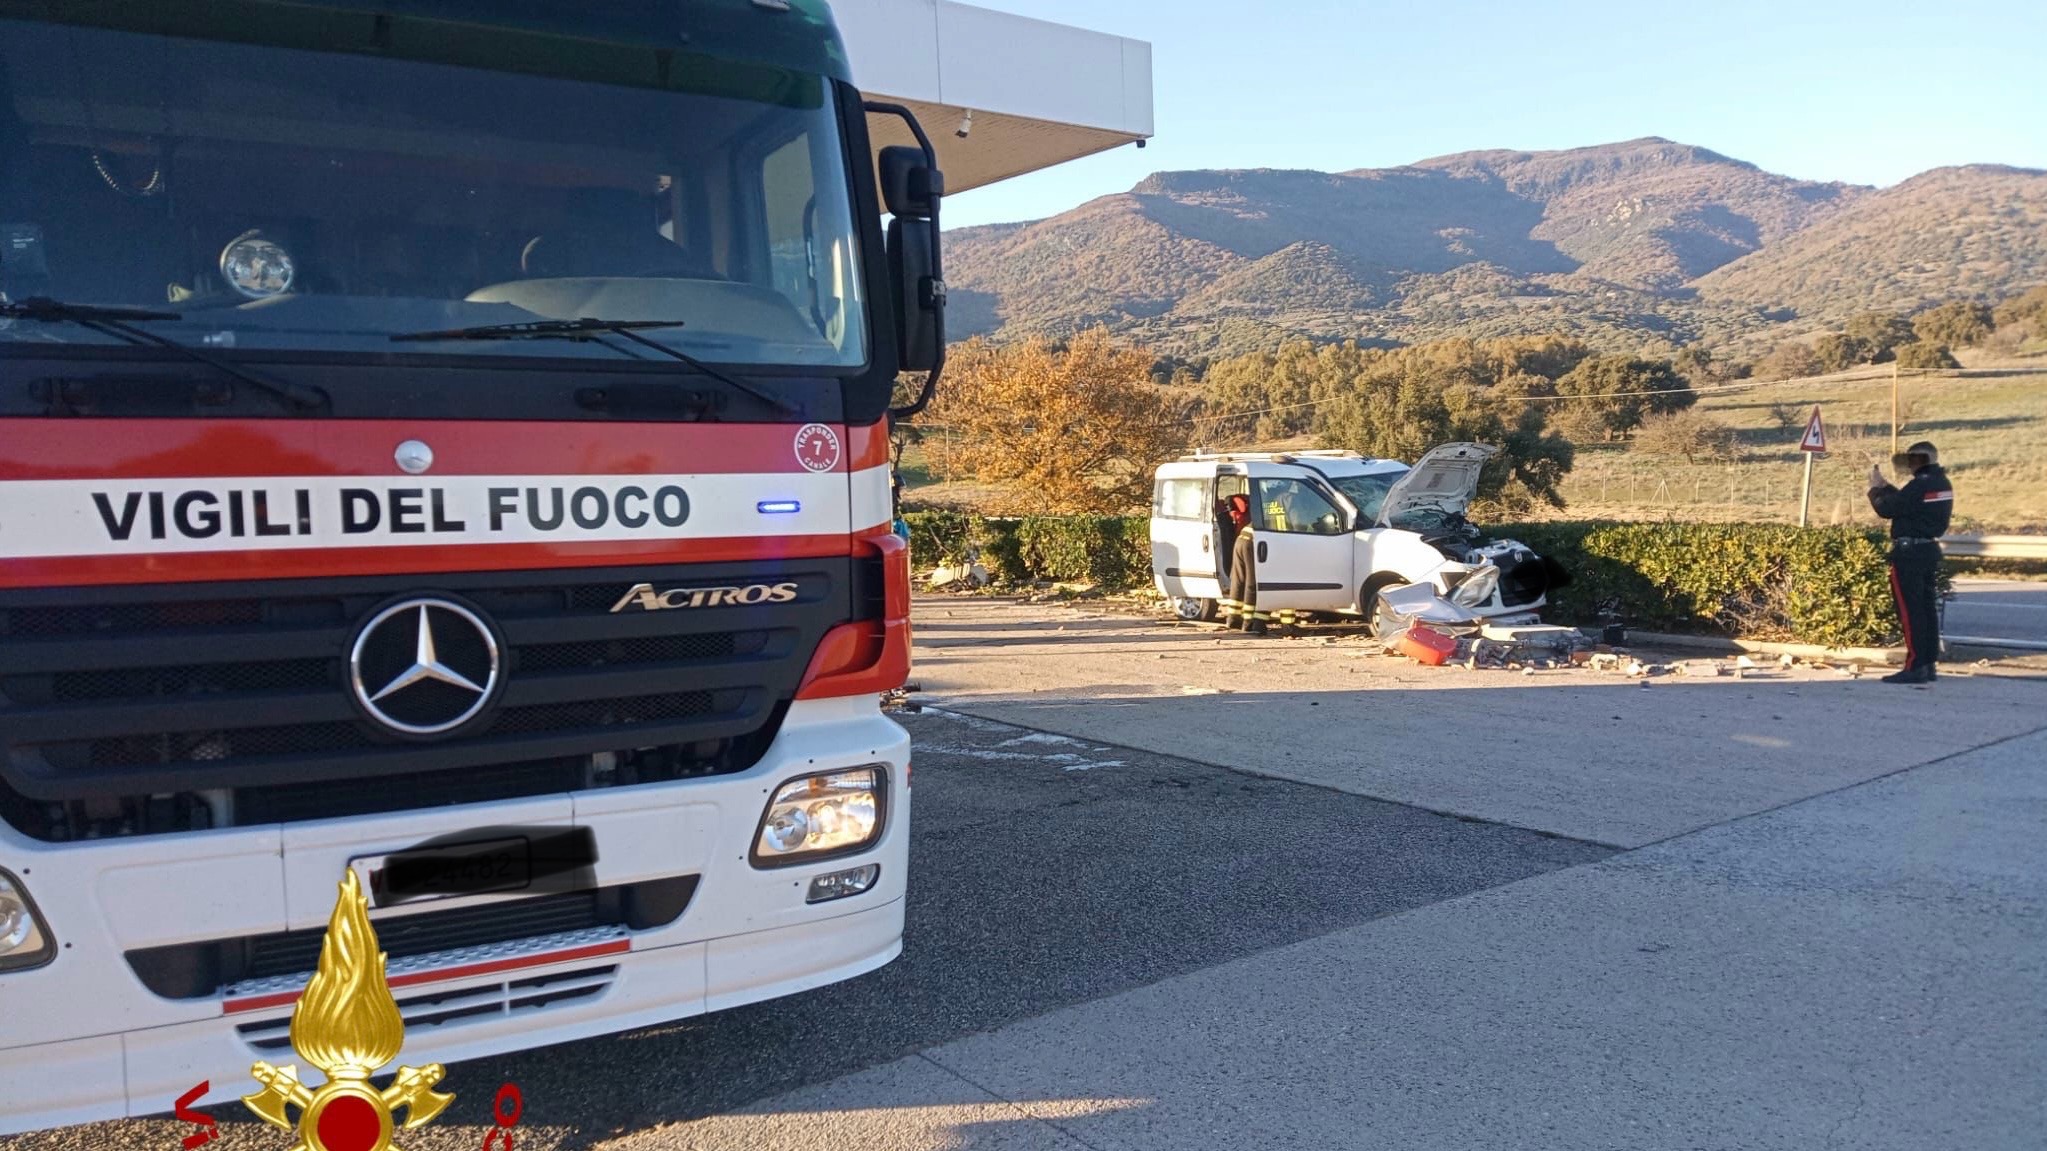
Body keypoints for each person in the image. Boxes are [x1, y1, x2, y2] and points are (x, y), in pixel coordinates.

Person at [1867, 440, 1953, 685]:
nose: (1909, 464)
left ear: (1921, 460)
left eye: (1912, 459)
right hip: (1928, 550)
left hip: (1909, 553)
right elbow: (1908, 504)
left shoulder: (1920, 485)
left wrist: (1875, 490)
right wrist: (1887, 487)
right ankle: (1928, 664)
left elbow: (1888, 509)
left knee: (1910, 612)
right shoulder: (1940, 483)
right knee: (1926, 610)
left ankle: (1914, 665)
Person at [1221, 494, 1269, 635]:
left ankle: (1233, 618)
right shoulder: (1286, 506)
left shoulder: (1272, 504)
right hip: (1253, 541)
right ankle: (1248, 622)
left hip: (1242, 538)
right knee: (1253, 581)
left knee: (1239, 580)